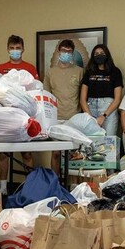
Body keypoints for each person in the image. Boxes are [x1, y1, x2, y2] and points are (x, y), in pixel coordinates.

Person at [0, 35, 38, 195]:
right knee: (4, 152)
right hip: (5, 115)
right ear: (7, 49)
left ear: (23, 49)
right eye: (12, 48)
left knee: (27, 153)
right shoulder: (0, 68)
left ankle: (30, 187)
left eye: (17, 48)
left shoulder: (30, 68)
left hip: (25, 116)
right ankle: (3, 188)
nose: (15, 51)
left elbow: (35, 92)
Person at [43, 39, 83, 175]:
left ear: (73, 53)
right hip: (56, 119)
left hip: (74, 117)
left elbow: (83, 96)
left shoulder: (79, 72)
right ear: (58, 51)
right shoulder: (50, 72)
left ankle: (71, 185)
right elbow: (46, 96)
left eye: (69, 52)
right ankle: (56, 183)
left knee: (74, 154)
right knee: (55, 153)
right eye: (63, 51)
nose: (66, 53)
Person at [79, 44, 123, 137]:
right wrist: (89, 117)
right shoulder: (89, 72)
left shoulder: (115, 71)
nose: (99, 55)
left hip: (108, 109)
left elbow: (117, 98)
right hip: (90, 108)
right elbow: (82, 99)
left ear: (107, 54)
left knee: (108, 141)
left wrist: (104, 115)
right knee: (90, 142)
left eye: (102, 53)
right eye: (96, 53)